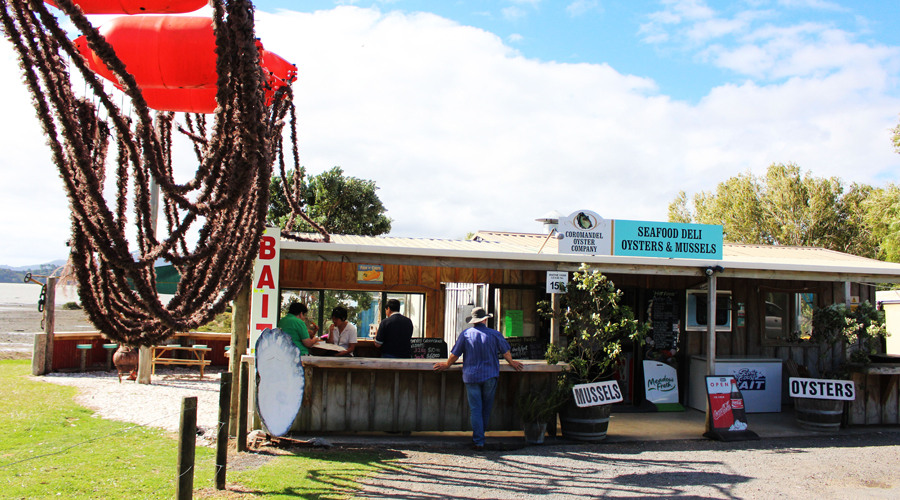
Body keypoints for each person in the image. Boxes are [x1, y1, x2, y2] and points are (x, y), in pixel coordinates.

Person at [433, 307, 524, 450]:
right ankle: (481, 438)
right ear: (485, 319)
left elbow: (455, 355)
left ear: (473, 321)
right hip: (490, 375)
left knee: (475, 410)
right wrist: (512, 363)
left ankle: (478, 441)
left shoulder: (466, 334)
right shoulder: (495, 334)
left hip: (471, 376)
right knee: (485, 410)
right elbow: (506, 352)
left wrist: (446, 364)